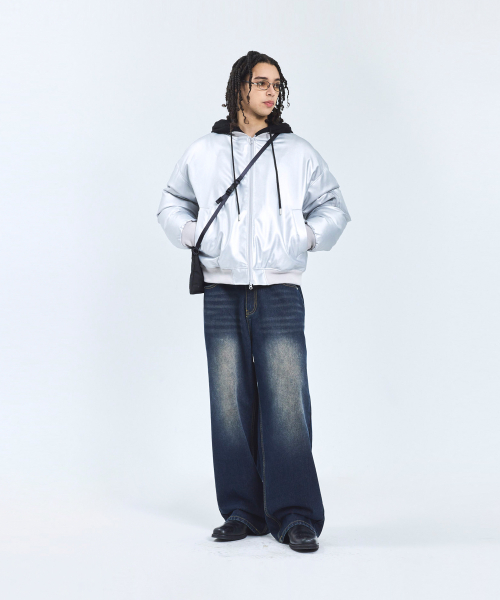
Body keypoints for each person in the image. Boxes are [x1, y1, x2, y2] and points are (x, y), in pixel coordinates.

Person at [157, 51, 351, 553]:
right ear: (239, 87)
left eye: (277, 84)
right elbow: (171, 202)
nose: (271, 91)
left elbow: (333, 206)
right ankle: (242, 510)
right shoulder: (204, 151)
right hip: (221, 290)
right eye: (261, 82)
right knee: (229, 404)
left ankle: (295, 515)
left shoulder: (297, 151)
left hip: (280, 289)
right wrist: (193, 233)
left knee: (286, 402)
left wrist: (304, 237)